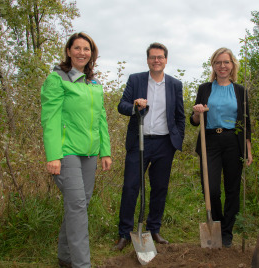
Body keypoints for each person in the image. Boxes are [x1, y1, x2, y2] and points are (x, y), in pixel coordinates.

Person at [41, 32, 112, 268]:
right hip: (66, 151)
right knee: (78, 205)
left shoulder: (94, 83)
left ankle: (65, 256)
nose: (82, 52)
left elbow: (101, 118)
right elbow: (50, 119)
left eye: (87, 49)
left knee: (80, 203)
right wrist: (53, 156)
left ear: (92, 54)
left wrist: (105, 151)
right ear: (69, 51)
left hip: (89, 153)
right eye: (78, 48)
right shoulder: (57, 79)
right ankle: (82, 265)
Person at [113, 42, 185, 250]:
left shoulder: (174, 84)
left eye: (160, 57)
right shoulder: (135, 80)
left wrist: (176, 139)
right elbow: (122, 105)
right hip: (139, 142)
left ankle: (154, 229)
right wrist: (134, 105)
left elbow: (180, 116)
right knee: (130, 187)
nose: (156, 60)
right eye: (153, 57)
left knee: (159, 188)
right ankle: (124, 233)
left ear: (165, 60)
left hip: (164, 144)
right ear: (147, 60)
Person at [190, 47, 252, 248]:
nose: (222, 66)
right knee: (212, 189)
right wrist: (198, 112)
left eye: (226, 62)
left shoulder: (240, 90)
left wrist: (248, 148)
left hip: (233, 141)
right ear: (213, 65)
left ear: (232, 65)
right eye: (218, 62)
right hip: (210, 142)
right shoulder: (205, 89)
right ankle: (215, 225)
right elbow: (194, 120)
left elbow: (245, 121)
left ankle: (227, 233)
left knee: (232, 189)